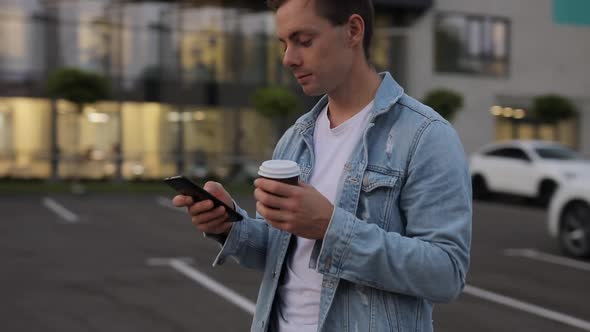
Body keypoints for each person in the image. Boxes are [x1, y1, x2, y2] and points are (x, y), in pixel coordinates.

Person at [172, 0, 472, 331]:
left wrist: (330, 227)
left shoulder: (425, 136)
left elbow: (446, 274)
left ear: (353, 31)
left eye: (304, 40)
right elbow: (284, 251)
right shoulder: (295, 138)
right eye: (284, 44)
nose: (288, 58)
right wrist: (229, 226)